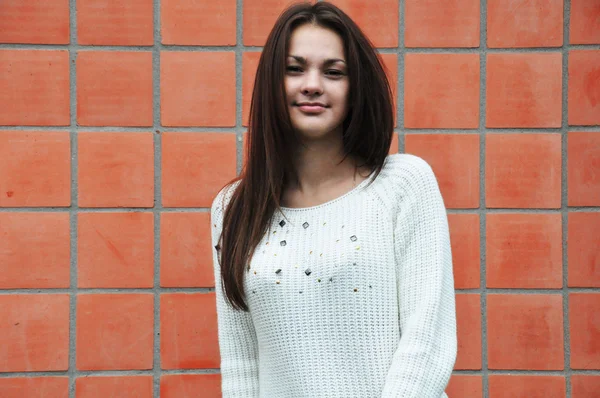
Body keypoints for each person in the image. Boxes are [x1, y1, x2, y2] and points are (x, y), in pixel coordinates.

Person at [210, 2, 457, 397]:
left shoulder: (403, 185)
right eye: (294, 69)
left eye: (333, 71)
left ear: (355, 87)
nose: (312, 84)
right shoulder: (233, 207)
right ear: (272, 84)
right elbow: (241, 362)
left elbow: (426, 341)